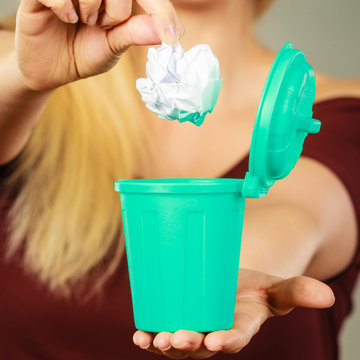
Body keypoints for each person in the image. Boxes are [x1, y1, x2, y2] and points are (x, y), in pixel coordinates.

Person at [0, 0, 359, 359]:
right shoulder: (25, 53)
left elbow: (298, 210)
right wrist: (24, 78)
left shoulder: (339, 110)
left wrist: (229, 274)